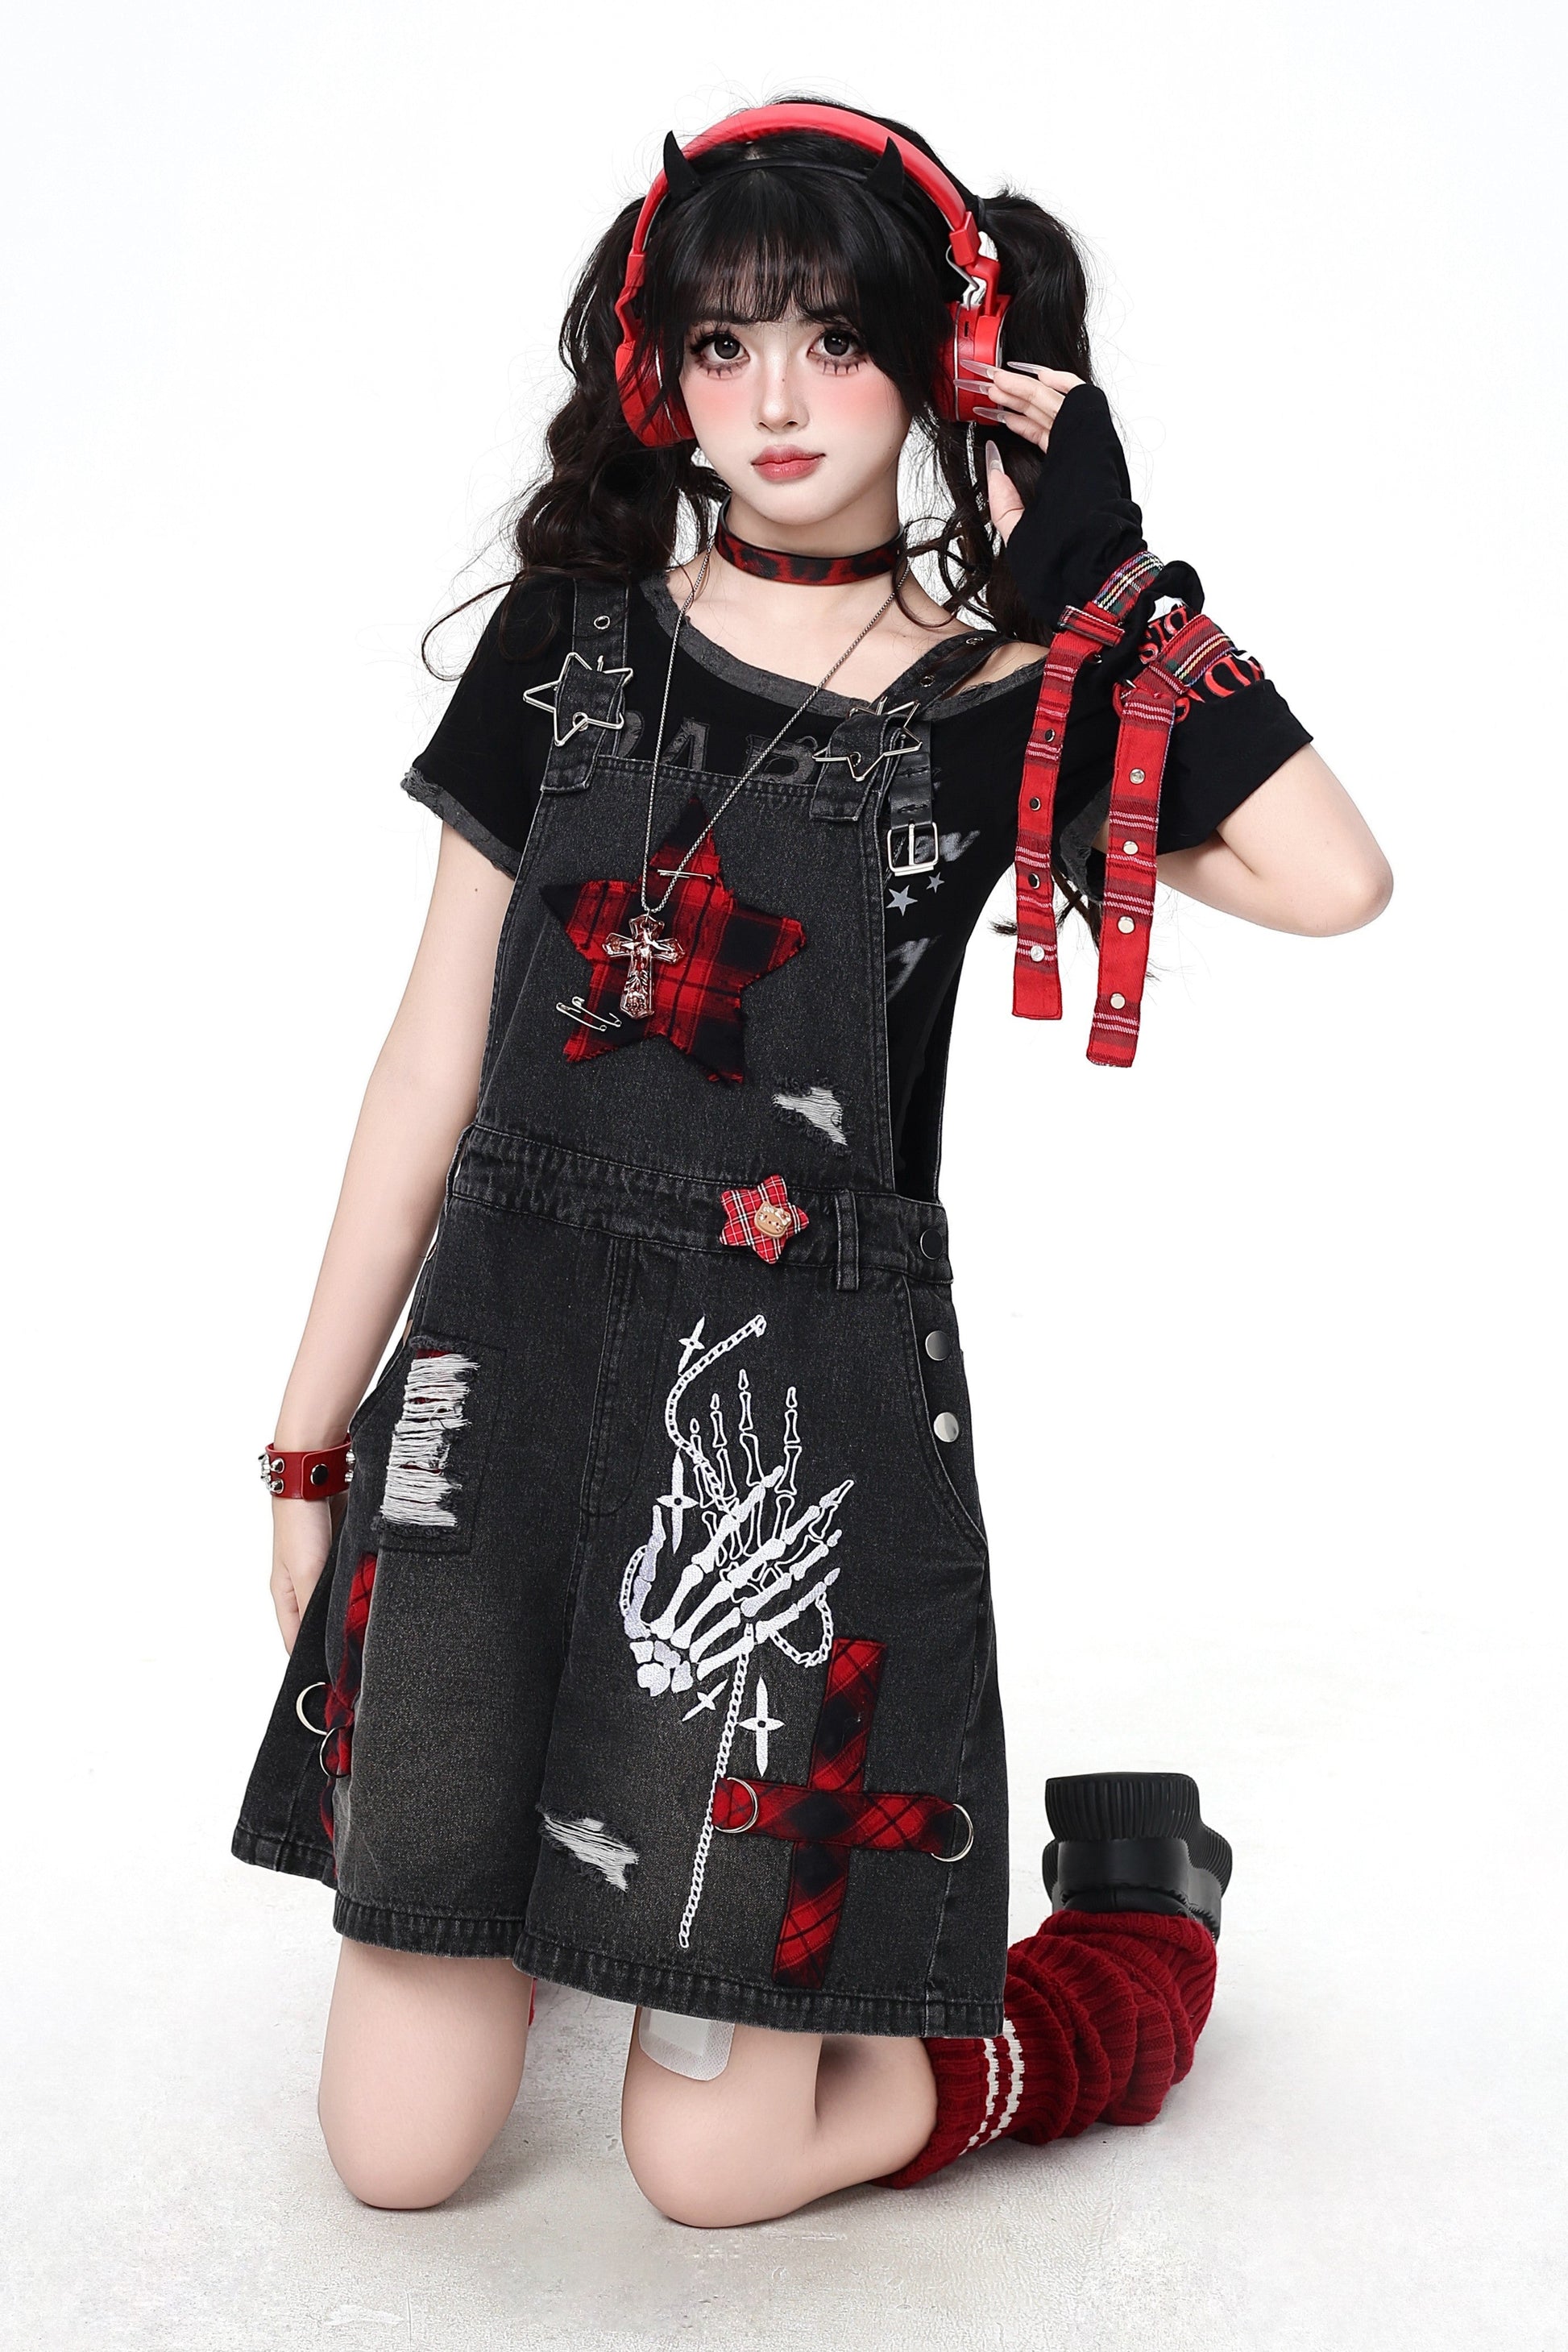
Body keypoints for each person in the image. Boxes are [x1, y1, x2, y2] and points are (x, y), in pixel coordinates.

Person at [234, 98, 1392, 2229]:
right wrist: (312, 1442)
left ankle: (1131, 1934)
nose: (773, 400)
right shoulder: (571, 640)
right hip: (499, 1392)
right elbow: (426, 1062)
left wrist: (1103, 579)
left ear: (941, 365)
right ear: (656, 374)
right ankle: (572, 1885)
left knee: (707, 2168)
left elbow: (1334, 878)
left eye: (833, 340)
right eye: (722, 343)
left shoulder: (1001, 701)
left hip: (773, 1454)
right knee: (394, 2162)